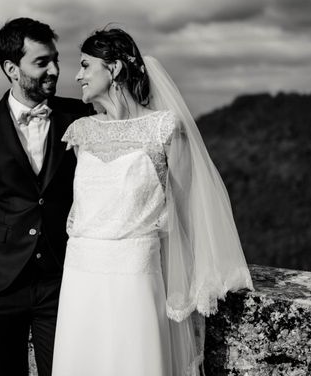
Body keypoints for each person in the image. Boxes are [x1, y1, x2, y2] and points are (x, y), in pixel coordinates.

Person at [51, 27, 253, 376]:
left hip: (135, 278)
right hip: (79, 276)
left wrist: (194, 283)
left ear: (113, 69)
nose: (77, 75)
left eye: (85, 65)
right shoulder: (82, 132)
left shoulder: (165, 129)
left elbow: (190, 208)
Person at [0, 17, 90, 376]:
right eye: (42, 62)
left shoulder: (81, 116)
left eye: (55, 59)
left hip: (60, 283)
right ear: (12, 69)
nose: (56, 70)